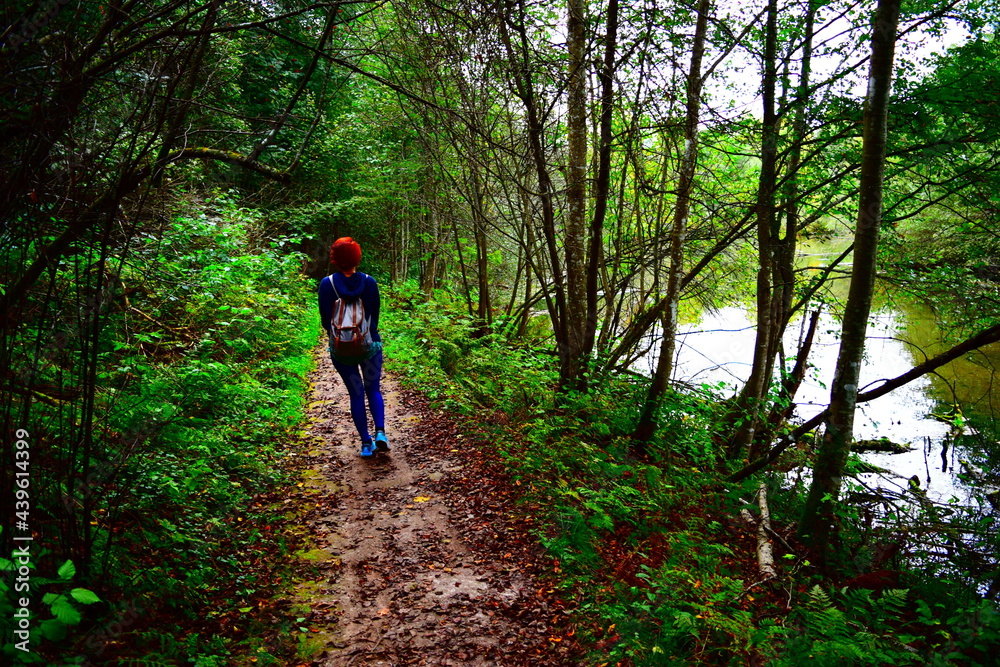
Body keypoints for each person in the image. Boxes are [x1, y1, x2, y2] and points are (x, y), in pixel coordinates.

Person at [318, 237, 388, 457]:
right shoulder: (369, 282)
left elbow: (325, 319)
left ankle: (366, 444)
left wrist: (338, 337)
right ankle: (380, 433)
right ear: (358, 257)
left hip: (341, 349)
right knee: (373, 389)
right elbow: (374, 316)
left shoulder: (326, 284)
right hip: (369, 345)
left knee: (356, 393)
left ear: (335, 259)